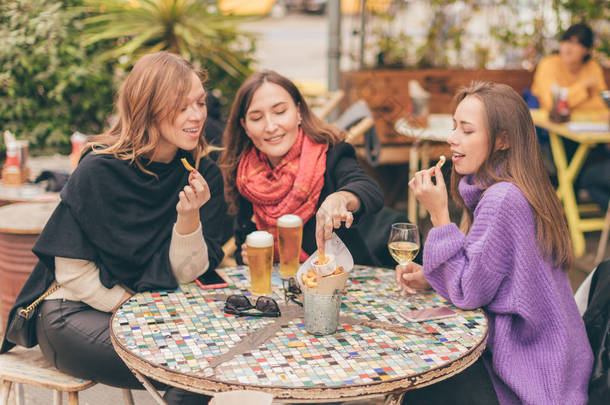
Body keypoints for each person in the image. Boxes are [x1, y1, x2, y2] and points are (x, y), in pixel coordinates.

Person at [1, 52, 228, 405]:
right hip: (71, 312)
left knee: (218, 361)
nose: (197, 115)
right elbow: (72, 272)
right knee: (191, 371)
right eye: (181, 107)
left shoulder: (200, 172)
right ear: (149, 108)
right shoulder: (100, 169)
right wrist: (134, 309)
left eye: (199, 103)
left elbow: (186, 273)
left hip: (146, 313)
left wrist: (189, 218)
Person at [396, 81, 593, 404]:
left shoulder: (502, 198)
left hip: (531, 372)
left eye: (467, 130)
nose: (452, 138)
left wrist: (438, 214)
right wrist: (433, 278)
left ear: (503, 140)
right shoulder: (510, 187)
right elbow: (488, 277)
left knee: (420, 382)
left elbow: (469, 293)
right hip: (555, 360)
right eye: (454, 126)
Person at [218, 70, 383, 266]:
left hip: (342, 280)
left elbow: (370, 191)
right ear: (245, 126)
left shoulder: (331, 153)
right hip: (281, 287)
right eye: (256, 118)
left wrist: (341, 198)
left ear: (298, 112)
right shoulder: (245, 173)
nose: (270, 126)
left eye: (280, 112)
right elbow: (242, 244)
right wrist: (245, 256)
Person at [532, 23, 608, 113]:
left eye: (576, 43)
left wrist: (567, 105)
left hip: (582, 123)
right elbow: (552, 104)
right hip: (547, 124)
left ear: (587, 50)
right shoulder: (548, 64)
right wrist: (583, 87)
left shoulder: (592, 66)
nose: (568, 47)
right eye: (566, 40)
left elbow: (602, 103)